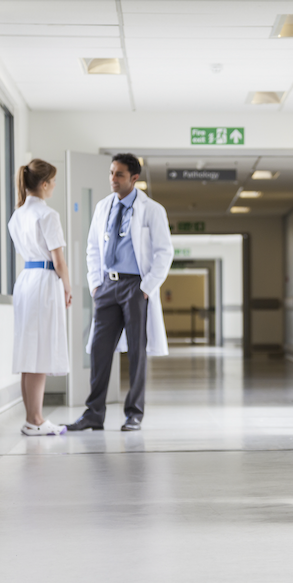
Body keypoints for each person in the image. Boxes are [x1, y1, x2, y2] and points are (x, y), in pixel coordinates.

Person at [67, 153, 174, 432]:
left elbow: (165, 252)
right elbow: (92, 247)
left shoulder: (152, 210)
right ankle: (93, 413)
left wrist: (147, 288)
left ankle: (134, 413)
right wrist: (94, 283)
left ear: (134, 178)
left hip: (136, 286)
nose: (113, 179)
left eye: (119, 175)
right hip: (107, 286)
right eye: (111, 173)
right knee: (100, 349)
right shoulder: (103, 207)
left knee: (137, 351)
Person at [9, 159, 71, 436]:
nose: (55, 186)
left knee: (29, 351)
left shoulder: (18, 214)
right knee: (40, 351)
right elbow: (59, 261)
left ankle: (32, 417)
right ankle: (35, 419)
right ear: (44, 184)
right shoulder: (48, 215)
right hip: (45, 281)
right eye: (54, 181)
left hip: (26, 281)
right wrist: (68, 287)